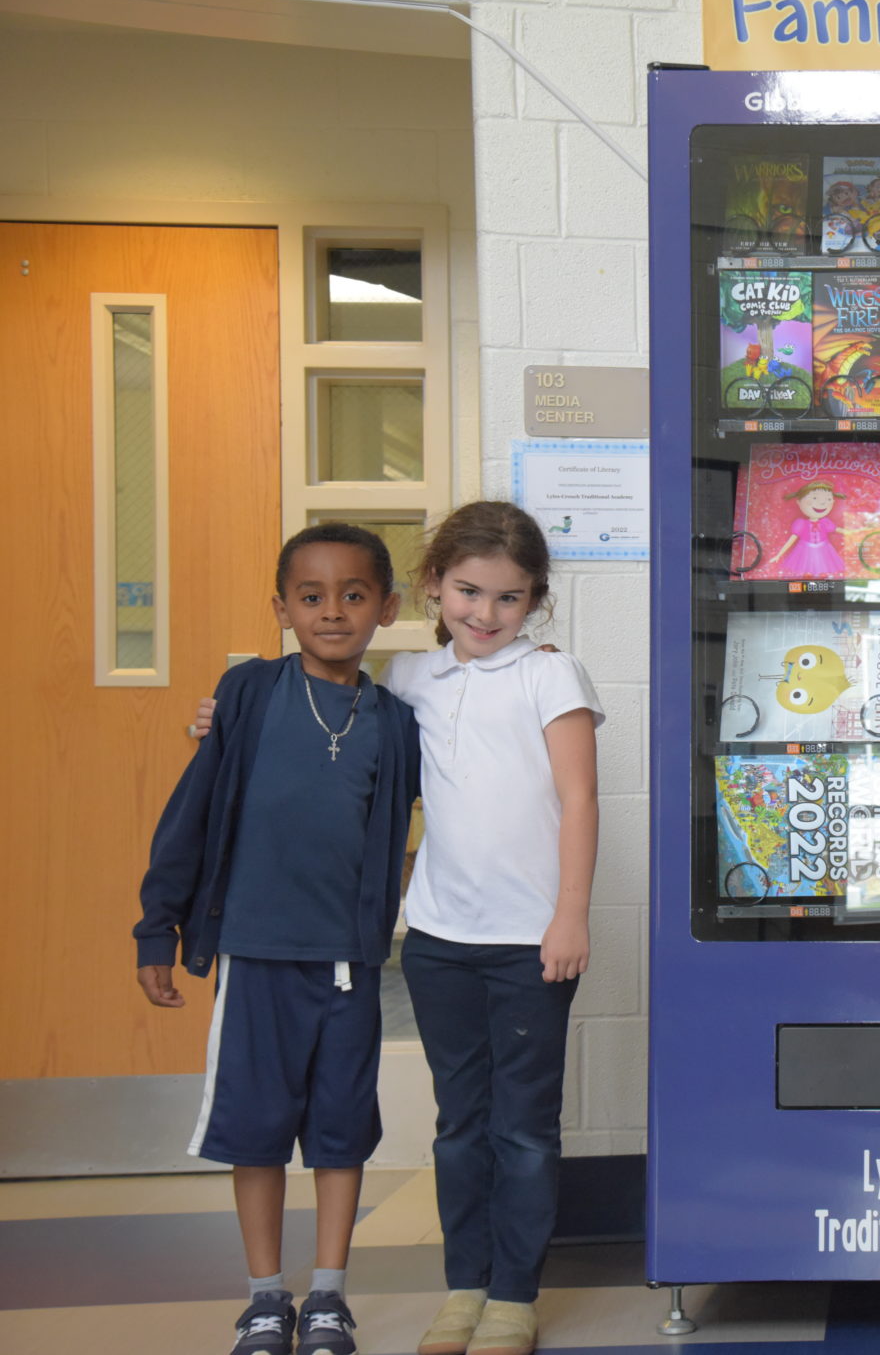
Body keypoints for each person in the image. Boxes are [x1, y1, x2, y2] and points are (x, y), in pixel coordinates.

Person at [194, 502, 603, 1355]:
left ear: (535, 604)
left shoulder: (551, 677)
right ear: (430, 589)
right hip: (439, 940)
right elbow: (321, 712)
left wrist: (571, 915)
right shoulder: (412, 682)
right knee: (458, 1124)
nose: (484, 614)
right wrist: (218, 720)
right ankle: (465, 1288)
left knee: (523, 1126)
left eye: (508, 599)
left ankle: (515, 1297)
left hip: (533, 942)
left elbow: (578, 799)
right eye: (467, 592)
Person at [137, 523, 420, 1355]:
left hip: (348, 964)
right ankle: (266, 1296)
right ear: (282, 608)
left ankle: (329, 1294)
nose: (333, 611)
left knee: (340, 1129)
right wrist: (159, 926)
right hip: (256, 954)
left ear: (387, 608)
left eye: (355, 595)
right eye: (311, 596)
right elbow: (189, 817)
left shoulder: (395, 720)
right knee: (255, 1129)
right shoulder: (248, 696)